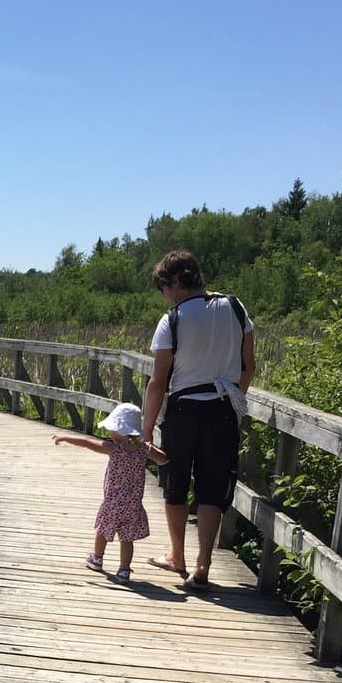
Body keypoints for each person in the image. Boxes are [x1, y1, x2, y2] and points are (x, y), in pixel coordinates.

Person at [141, 249, 255, 589]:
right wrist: (235, 400)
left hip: (183, 410)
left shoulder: (172, 319)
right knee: (212, 486)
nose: (164, 295)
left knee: (175, 484)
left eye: (163, 287)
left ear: (175, 282)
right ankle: (203, 563)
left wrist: (146, 428)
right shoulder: (236, 308)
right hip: (222, 409)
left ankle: (178, 556)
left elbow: (158, 380)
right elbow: (249, 366)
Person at [54, 403, 167, 582]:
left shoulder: (114, 448)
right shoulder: (143, 449)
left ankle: (97, 558)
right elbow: (162, 459)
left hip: (112, 502)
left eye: (112, 428)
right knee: (127, 538)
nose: (109, 432)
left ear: (121, 430)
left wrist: (65, 437)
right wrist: (153, 449)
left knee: (102, 530)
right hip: (133, 504)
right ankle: (124, 570)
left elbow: (87, 443)